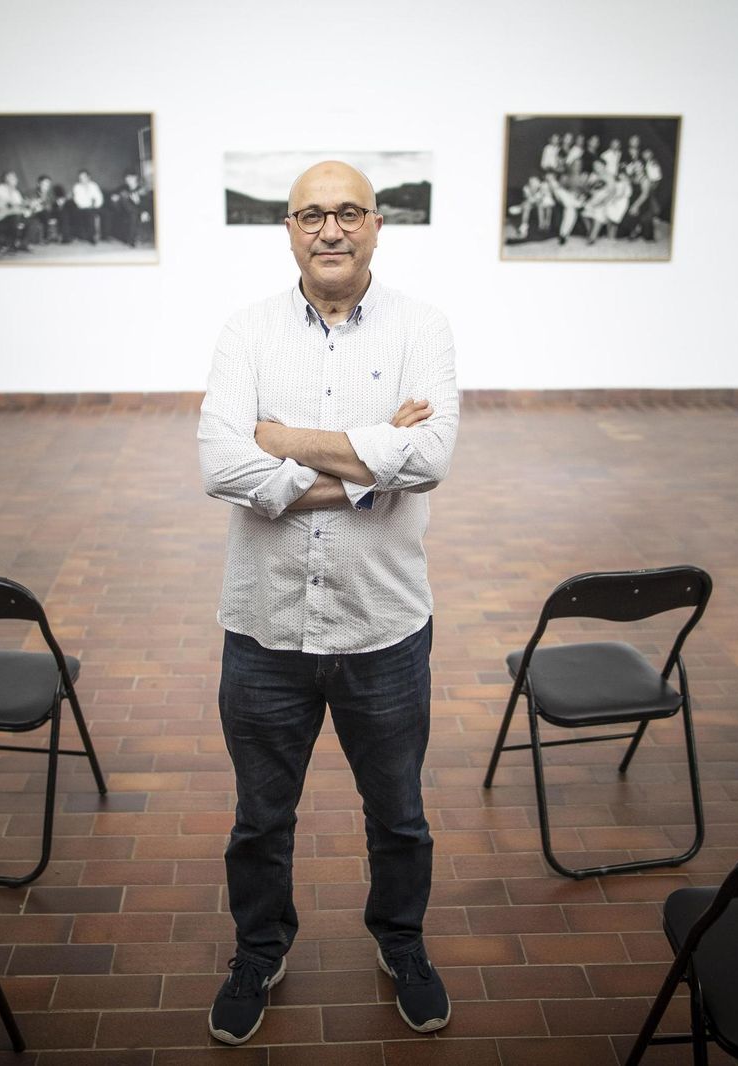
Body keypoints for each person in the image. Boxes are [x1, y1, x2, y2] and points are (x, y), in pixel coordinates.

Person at [197, 160, 459, 1047]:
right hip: (265, 630)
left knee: (400, 817)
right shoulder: (248, 333)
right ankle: (258, 950)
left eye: (350, 212)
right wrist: (363, 465)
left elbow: (429, 461)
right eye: (312, 215)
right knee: (259, 822)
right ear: (290, 230)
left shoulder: (424, 328)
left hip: (384, 628)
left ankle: (402, 943)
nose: (331, 229)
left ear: (379, 224)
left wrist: (283, 445)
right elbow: (221, 467)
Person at [71, 169, 103, 243]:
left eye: (84, 177)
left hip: (94, 207)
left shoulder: (94, 185)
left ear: (89, 177)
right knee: (87, 213)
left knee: (95, 213)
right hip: (82, 208)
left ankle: (93, 236)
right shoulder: (77, 187)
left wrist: (95, 205)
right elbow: (78, 200)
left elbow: (99, 197)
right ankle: (88, 236)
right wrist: (88, 204)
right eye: (80, 178)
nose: (82, 180)